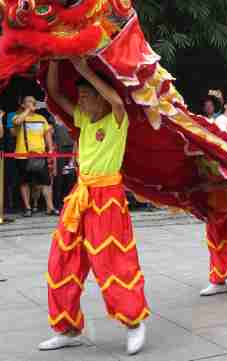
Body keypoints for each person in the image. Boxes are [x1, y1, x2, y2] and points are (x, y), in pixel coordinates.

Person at [39, 59, 149, 355]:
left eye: (87, 96)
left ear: (100, 95)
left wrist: (84, 68)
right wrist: (53, 55)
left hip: (108, 197)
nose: (81, 101)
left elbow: (116, 100)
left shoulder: (117, 118)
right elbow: (54, 91)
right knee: (62, 259)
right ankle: (68, 328)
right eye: (81, 97)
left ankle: (134, 322)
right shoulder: (84, 119)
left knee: (112, 262)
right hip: (80, 196)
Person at [11, 96, 58, 216]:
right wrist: (27, 110)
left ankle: (50, 208)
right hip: (23, 154)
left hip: (40, 154)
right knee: (25, 182)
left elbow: (47, 134)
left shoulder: (41, 118)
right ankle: (28, 208)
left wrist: (51, 149)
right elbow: (16, 123)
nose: (32, 103)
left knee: (45, 182)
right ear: (23, 105)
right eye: (29, 101)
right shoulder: (18, 116)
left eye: (34, 102)